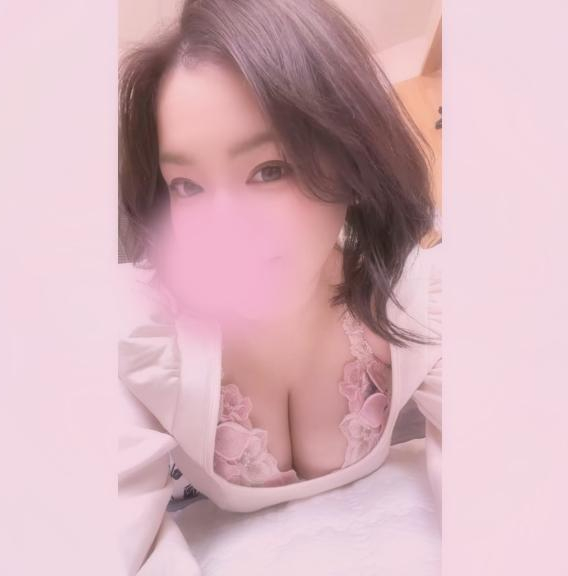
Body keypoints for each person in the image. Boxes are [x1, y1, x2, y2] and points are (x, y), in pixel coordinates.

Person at [118, 0, 442, 574]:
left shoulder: (417, 297)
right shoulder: (138, 330)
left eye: (269, 170)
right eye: (187, 185)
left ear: (354, 160)